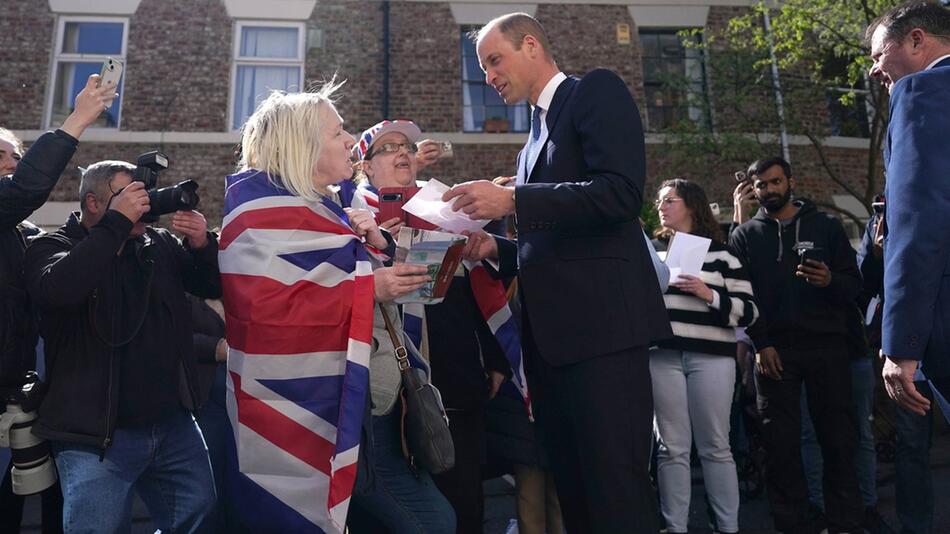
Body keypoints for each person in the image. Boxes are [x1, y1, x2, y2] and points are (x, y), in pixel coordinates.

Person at [442, 13, 672, 532]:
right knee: (576, 496)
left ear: (531, 45)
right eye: (482, 68)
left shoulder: (594, 92)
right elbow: (551, 244)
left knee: (617, 495)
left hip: (604, 337)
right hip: (551, 351)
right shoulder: (531, 141)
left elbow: (619, 194)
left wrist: (512, 197)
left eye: (494, 60)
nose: (489, 76)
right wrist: (494, 249)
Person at [219, 88, 453, 533]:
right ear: (301, 144)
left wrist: (377, 251)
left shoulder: (325, 209)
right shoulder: (257, 210)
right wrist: (370, 285)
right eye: (338, 131)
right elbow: (266, 312)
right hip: (303, 412)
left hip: (361, 402)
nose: (351, 140)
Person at [23, 156, 221, 532]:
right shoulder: (50, 246)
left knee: (197, 512)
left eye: (142, 195)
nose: (141, 204)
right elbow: (60, 290)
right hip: (93, 436)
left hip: (171, 423)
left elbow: (210, 287)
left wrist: (200, 245)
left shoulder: (156, 244)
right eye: (127, 195)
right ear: (94, 203)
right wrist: (116, 226)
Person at [350, 119, 512, 534]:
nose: (401, 152)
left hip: (450, 381)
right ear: (365, 167)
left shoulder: (446, 212)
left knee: (461, 504)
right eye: (386, 148)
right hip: (378, 390)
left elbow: (482, 286)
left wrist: (494, 358)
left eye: (406, 145)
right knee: (388, 512)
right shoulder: (344, 215)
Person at [0, 75, 116, 534]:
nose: (11, 163)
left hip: (19, 403)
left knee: (19, 507)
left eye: (15, 156)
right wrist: (79, 118)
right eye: (0, 156)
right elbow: (26, 190)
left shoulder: (28, 238)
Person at [729, 157, 864, 533]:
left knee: (839, 441)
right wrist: (761, 343)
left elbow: (855, 286)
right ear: (753, 189)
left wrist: (829, 281)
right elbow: (741, 297)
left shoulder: (826, 226)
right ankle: (793, 524)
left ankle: (846, 523)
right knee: (780, 447)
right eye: (761, 185)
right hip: (774, 352)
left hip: (827, 348)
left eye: (775, 182)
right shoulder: (744, 236)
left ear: (791, 180)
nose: (769, 190)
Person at [651, 179, 758, 534]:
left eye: (669, 200)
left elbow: (749, 313)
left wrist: (707, 294)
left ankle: (728, 527)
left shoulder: (724, 254)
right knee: (670, 448)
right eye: (659, 201)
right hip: (662, 357)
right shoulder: (653, 254)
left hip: (711, 358)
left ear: (692, 206)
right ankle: (674, 527)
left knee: (715, 445)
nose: (661, 207)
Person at [866, 0, 950, 414]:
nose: (873, 69)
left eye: (879, 55)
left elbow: (918, 223)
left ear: (917, 40)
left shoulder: (921, 92)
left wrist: (901, 345)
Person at [858, 198, 935, 534]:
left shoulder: (936, 205)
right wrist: (877, 255)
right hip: (907, 348)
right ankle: (916, 526)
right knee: (911, 442)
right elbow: (863, 286)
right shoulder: (878, 221)